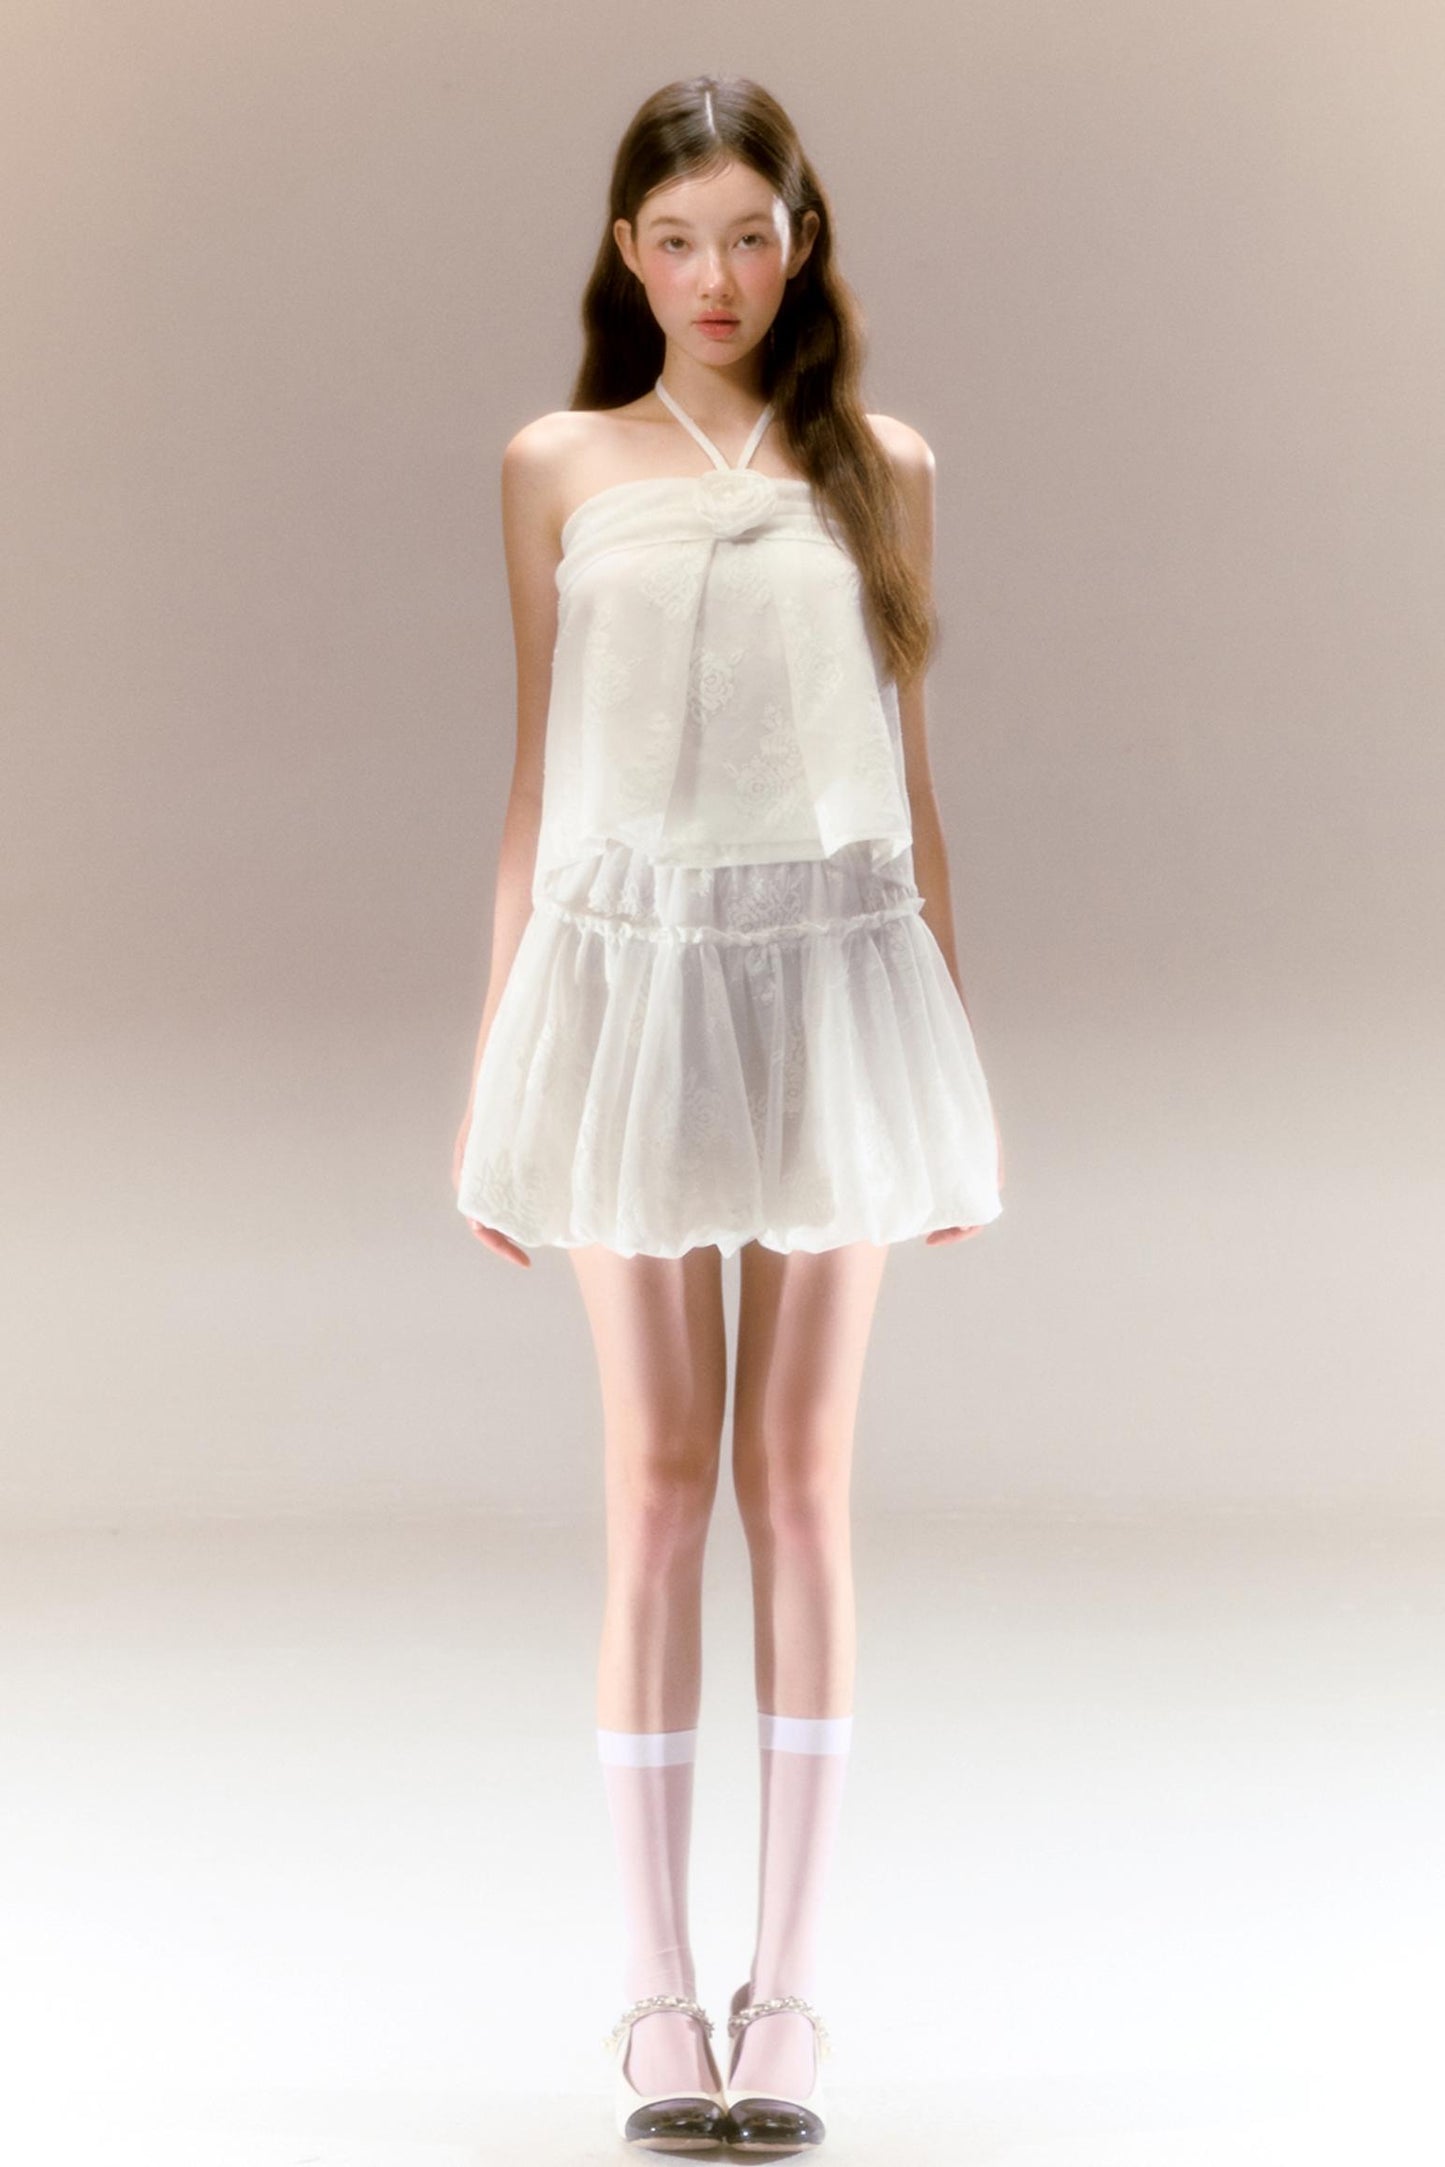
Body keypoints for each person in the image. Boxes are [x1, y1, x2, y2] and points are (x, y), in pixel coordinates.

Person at [451, 73, 1004, 2157]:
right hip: (627, 990)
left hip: (835, 984)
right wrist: (492, 1063)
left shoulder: (882, 465)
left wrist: (952, 1061)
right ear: (626, 253)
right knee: (658, 1479)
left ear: (801, 240)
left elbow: (910, 783)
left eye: (749, 236)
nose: (715, 277)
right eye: (677, 240)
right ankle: (656, 1996)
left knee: (800, 1480)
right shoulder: (557, 463)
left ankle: (789, 1996)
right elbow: (536, 777)